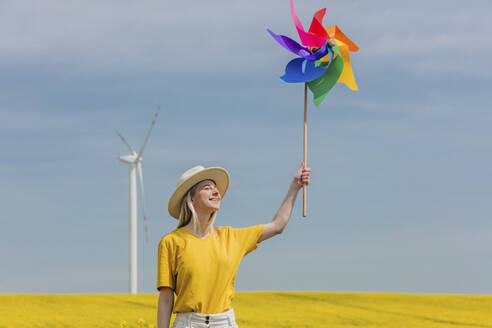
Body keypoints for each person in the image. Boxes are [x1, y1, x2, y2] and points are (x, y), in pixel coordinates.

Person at [157, 162, 311, 328]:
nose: (216, 192)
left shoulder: (231, 237)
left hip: (224, 323)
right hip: (188, 323)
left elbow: (277, 225)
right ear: (191, 198)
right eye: (207, 187)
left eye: (216, 189)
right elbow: (166, 298)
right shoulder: (171, 242)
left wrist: (295, 187)